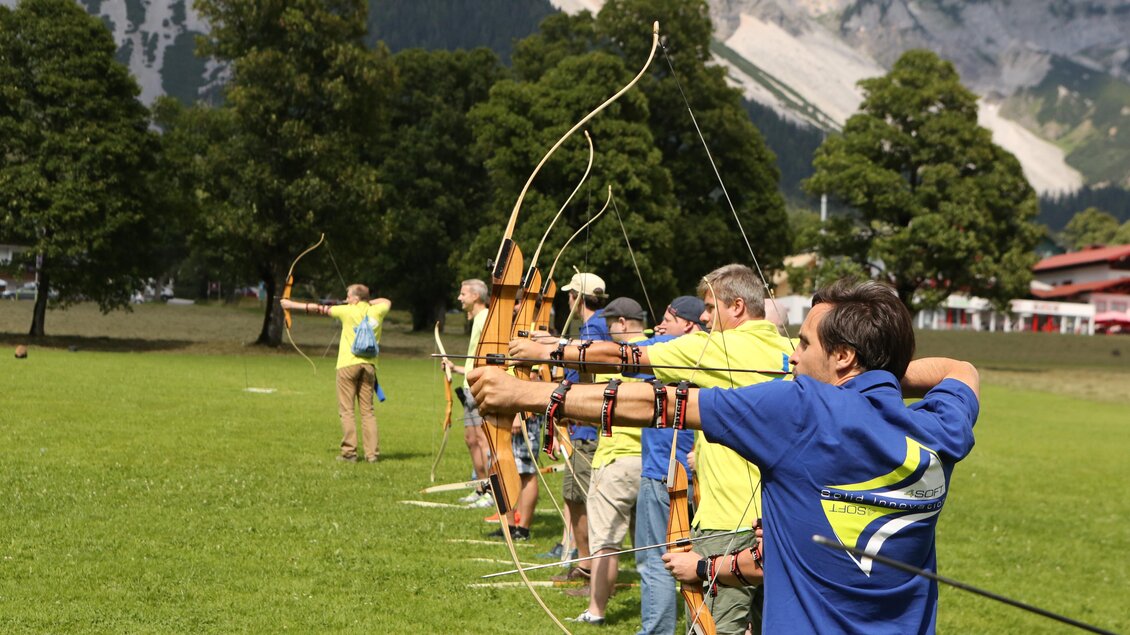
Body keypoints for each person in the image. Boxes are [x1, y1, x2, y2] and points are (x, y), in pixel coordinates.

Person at [469, 278, 980, 635]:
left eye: (803, 345)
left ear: (843, 356)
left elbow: (657, 404)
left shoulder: (803, 409)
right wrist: (882, 374)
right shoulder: (941, 430)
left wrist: (527, 396)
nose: (793, 358)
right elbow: (962, 370)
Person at [511, 264, 793, 634]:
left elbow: (624, 357)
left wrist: (545, 353)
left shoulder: (716, 346)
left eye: (710, 308)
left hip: (728, 521)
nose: (704, 318)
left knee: (715, 628)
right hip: (780, 520)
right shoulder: (792, 350)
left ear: (737, 307)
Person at [565, 297, 647, 625]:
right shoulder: (664, 352)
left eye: (612, 325)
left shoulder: (615, 359)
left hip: (615, 461)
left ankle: (596, 611)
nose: (610, 333)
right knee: (653, 550)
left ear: (623, 323)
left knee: (606, 544)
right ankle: (657, 619)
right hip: (653, 463)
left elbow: (594, 405)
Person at [634, 296, 702, 635]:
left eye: (668, 319)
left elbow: (619, 355)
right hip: (702, 475)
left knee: (657, 560)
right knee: (703, 561)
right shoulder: (712, 352)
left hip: (663, 473)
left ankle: (657, 631)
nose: (661, 326)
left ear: (688, 325)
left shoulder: (670, 348)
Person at [281, 284, 391, 463]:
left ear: (355, 298)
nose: (346, 299)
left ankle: (349, 453)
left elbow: (318, 308)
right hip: (369, 366)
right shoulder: (378, 311)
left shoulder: (346, 311)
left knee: (347, 411)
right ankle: (372, 455)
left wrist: (290, 305)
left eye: (349, 296)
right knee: (367, 412)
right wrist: (366, 303)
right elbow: (387, 301)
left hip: (348, 365)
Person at [553, 271, 611, 585]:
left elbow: (589, 372)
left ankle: (590, 566)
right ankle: (587, 563)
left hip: (587, 428)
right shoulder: (595, 326)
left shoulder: (594, 328)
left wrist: (562, 393)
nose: (568, 300)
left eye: (570, 295)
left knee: (580, 498)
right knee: (576, 497)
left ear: (576, 297)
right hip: (584, 425)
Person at [443, 279, 494, 508]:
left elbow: (490, 357)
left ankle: (491, 492)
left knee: (483, 440)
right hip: (469, 387)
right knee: (471, 439)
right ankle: (480, 487)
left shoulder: (486, 318)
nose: (459, 298)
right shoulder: (477, 320)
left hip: (480, 388)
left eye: (463, 294)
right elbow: (476, 359)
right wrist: (456, 368)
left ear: (475, 296)